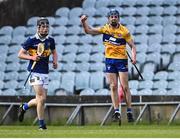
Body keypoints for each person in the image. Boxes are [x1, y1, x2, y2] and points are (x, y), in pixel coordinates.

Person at [80, 9, 136, 122]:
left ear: (118, 18)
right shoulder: (105, 29)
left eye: (115, 16)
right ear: (108, 18)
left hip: (121, 60)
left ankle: (129, 111)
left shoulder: (124, 31)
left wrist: (134, 57)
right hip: (110, 60)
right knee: (113, 86)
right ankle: (116, 111)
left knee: (125, 87)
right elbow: (88, 31)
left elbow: (133, 46)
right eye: (112, 16)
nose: (114, 18)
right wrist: (83, 22)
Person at [17, 17, 58, 130]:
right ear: (38, 28)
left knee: (42, 99)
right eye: (43, 27)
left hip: (45, 72)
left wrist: (55, 61)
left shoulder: (51, 40)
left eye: (47, 27)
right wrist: (32, 57)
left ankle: (24, 107)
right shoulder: (31, 40)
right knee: (40, 98)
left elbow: (54, 52)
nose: (45, 29)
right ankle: (41, 124)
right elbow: (20, 54)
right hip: (34, 72)